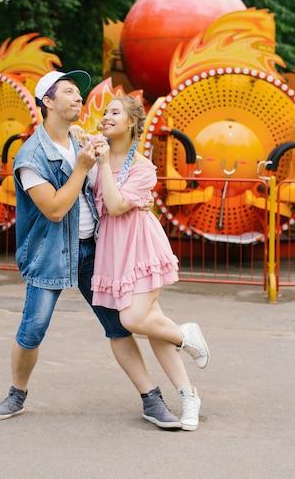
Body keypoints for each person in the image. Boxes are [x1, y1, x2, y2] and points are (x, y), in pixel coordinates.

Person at [0, 70, 208, 430]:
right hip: (51, 253)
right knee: (33, 329)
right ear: (48, 102)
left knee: (118, 327)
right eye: (70, 92)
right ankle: (17, 393)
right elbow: (56, 209)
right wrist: (84, 167)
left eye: (79, 93)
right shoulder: (31, 157)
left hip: (96, 250)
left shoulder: (82, 141)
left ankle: (151, 399)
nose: (79, 98)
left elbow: (119, 179)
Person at [88, 95, 210, 431]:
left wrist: (100, 164)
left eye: (115, 112)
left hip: (141, 248)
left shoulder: (143, 168)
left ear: (130, 123)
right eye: (105, 112)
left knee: (132, 317)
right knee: (150, 322)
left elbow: (113, 205)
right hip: (112, 252)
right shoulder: (94, 155)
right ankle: (188, 396)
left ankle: (184, 335)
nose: (107, 116)